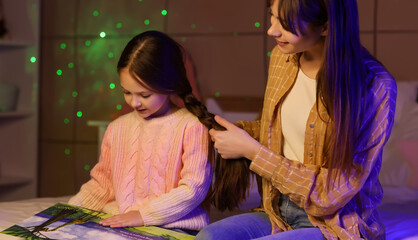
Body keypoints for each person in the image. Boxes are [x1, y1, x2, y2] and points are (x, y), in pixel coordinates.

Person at [196, 0, 396, 239]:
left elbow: (331, 194)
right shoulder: (283, 58)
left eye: (287, 23)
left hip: (334, 224)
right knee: (209, 237)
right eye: (272, 15)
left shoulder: (375, 86)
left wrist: (253, 152)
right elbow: (279, 132)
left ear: (325, 27)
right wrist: (232, 133)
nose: (272, 30)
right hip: (277, 211)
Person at [68, 30, 221, 235]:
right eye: (127, 92)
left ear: (168, 85)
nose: (135, 102)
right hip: (123, 224)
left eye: (145, 94)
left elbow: (193, 189)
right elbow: (102, 184)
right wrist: (70, 211)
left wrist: (143, 215)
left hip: (174, 228)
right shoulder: (117, 128)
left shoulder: (191, 126)